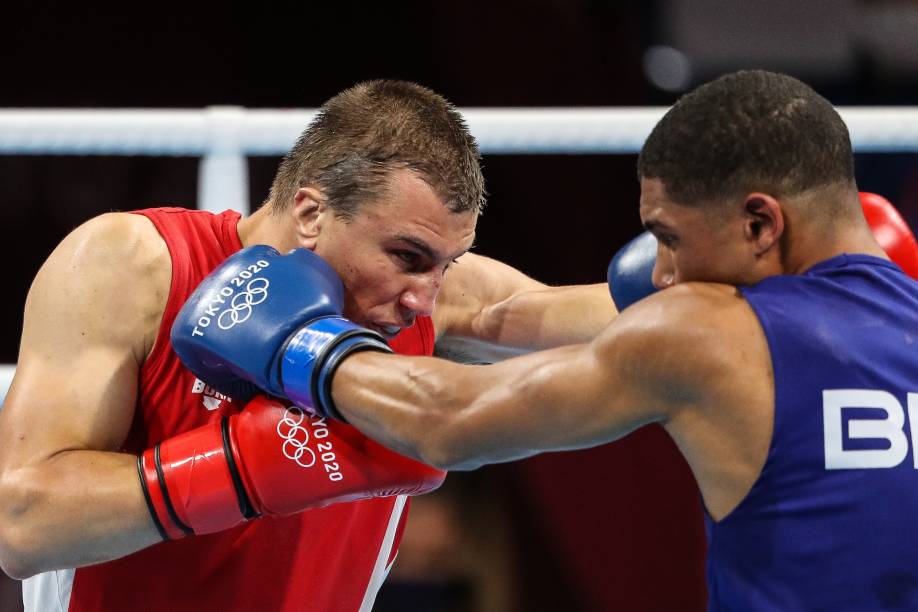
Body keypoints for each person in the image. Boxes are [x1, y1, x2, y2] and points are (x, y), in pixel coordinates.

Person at [174, 71, 918, 610]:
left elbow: (449, 422)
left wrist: (300, 343)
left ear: (760, 225)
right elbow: (518, 316)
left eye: (668, 238)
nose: (659, 273)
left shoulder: (712, 334)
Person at [0, 80, 614, 612]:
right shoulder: (133, 266)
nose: (424, 299)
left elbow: (605, 320)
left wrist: (693, 271)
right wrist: (239, 469)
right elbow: (20, 526)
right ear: (311, 210)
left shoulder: (437, 299)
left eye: (446, 264)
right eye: (407, 257)